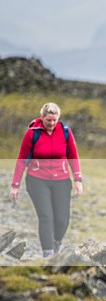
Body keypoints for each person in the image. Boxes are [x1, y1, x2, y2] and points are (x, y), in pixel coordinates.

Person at [10, 102, 83, 258]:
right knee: (46, 217)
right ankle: (48, 255)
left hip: (62, 180)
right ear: (42, 118)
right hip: (37, 180)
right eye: (48, 120)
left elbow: (73, 156)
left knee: (62, 220)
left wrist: (78, 179)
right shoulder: (32, 133)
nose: (52, 123)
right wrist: (15, 184)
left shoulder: (65, 131)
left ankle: (56, 243)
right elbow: (22, 159)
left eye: (54, 120)